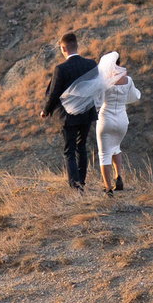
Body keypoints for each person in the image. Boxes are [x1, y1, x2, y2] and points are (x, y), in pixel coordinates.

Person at [40, 32, 100, 191]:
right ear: (76, 45)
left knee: (69, 151)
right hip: (87, 114)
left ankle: (76, 187)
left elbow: (53, 94)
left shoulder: (61, 69)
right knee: (82, 147)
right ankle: (82, 182)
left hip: (68, 117)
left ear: (63, 48)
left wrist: (46, 111)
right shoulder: (91, 64)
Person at [91, 51, 141, 193]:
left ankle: (108, 189)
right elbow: (134, 96)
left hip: (106, 119)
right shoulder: (128, 80)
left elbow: (97, 100)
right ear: (119, 64)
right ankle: (118, 176)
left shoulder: (104, 81)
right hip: (122, 119)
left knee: (104, 154)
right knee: (116, 147)